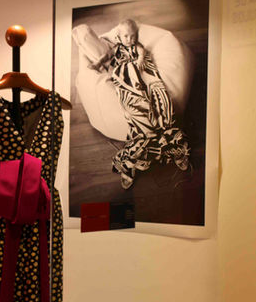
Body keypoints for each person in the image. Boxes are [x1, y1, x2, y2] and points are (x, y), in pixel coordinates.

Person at [74, 18, 190, 189]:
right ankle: (154, 153)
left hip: (144, 77)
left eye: (133, 36)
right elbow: (106, 57)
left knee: (161, 109)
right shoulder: (116, 49)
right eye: (126, 36)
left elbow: (142, 54)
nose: (129, 39)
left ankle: (158, 152)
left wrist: (140, 60)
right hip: (128, 82)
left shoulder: (138, 47)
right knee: (139, 117)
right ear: (119, 37)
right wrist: (97, 64)